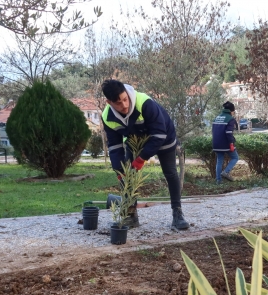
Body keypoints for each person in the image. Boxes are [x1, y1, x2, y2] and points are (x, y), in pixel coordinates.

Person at [101, 79, 190, 231]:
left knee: (170, 173)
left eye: (125, 99)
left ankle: (178, 213)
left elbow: (159, 133)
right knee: (127, 176)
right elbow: (115, 147)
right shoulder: (108, 117)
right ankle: (131, 215)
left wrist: (142, 158)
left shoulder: (144, 103)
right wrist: (119, 170)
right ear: (109, 102)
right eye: (118, 103)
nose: (124, 105)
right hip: (135, 141)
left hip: (163, 137)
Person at [212, 101, 239, 184]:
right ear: (231, 111)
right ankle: (226, 172)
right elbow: (228, 132)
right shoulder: (230, 119)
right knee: (235, 157)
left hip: (216, 143)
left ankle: (218, 180)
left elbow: (213, 131)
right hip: (226, 143)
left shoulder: (217, 117)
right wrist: (231, 143)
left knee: (219, 161)